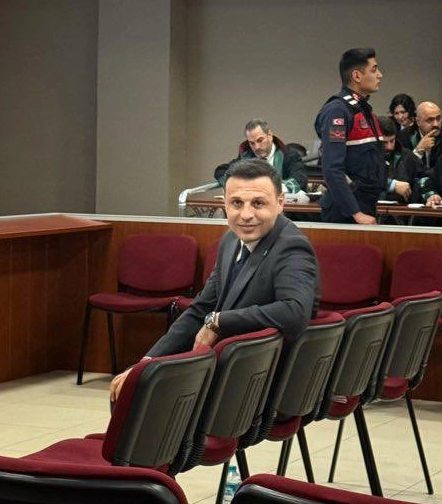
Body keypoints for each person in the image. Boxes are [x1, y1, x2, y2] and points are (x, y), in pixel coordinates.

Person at [110, 159, 319, 401]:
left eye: (258, 203)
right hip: (226, 370)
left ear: (280, 203)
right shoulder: (230, 240)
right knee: (133, 386)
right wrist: (146, 362)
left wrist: (219, 321)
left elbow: (294, 311)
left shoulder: (291, 246)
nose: (246, 215)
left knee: (146, 397)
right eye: (237, 203)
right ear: (224, 204)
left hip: (261, 383)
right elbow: (200, 309)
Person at [314, 48, 388, 224]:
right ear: (357, 76)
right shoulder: (338, 111)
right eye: (374, 70)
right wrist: (356, 213)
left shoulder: (363, 110)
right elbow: (332, 169)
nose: (380, 75)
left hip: (365, 203)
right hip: (345, 210)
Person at [214, 119, 308, 194]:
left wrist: (271, 189)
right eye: (252, 143)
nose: (257, 147)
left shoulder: (289, 155)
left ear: (270, 135)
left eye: (260, 140)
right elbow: (220, 171)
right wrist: (234, 184)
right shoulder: (247, 157)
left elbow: (299, 179)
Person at [396, 101, 442, 171]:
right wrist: (418, 151)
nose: (436, 124)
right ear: (418, 121)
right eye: (430, 120)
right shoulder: (404, 136)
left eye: (438, 118)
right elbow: (401, 170)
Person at [378, 115, 422, 204]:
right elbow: (359, 180)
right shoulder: (364, 157)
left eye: (392, 141)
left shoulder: (407, 156)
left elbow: (424, 176)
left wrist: (430, 194)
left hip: (401, 209)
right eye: (384, 142)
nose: (389, 147)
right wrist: (391, 185)